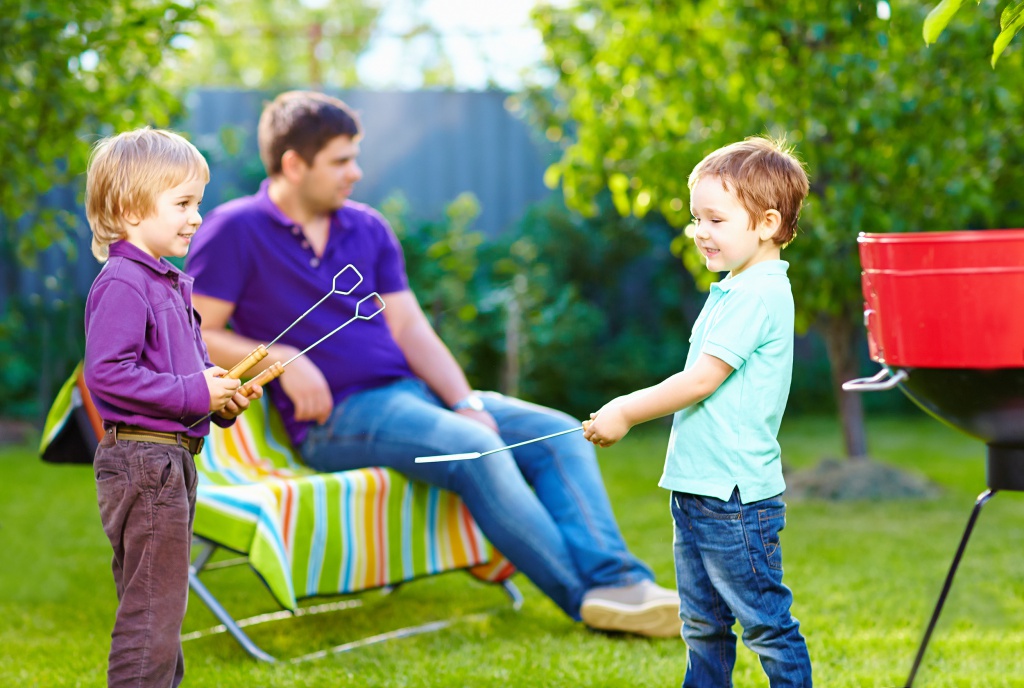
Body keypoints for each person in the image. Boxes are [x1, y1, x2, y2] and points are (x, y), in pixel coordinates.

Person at [185, 90, 680, 638]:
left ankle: (622, 582)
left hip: (411, 396)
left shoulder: (366, 227)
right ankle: (588, 598)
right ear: (294, 163)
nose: (356, 172)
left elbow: (410, 328)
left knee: (559, 433)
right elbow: (198, 330)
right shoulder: (235, 228)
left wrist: (465, 401)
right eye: (341, 160)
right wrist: (279, 358)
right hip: (338, 420)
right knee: (481, 451)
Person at [583, 137, 813, 687]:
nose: (700, 232)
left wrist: (624, 410)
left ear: (766, 223)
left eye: (715, 218)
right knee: (702, 624)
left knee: (765, 626)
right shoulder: (735, 288)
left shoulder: (758, 295)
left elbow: (702, 380)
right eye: (695, 218)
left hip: (733, 499)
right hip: (699, 489)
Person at [83, 127, 262, 688]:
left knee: (161, 606)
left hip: (168, 459)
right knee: (152, 612)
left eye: (198, 204)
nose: (196, 218)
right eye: (182, 203)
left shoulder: (166, 285)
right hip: (144, 462)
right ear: (129, 208)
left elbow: (183, 379)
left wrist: (222, 396)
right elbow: (107, 376)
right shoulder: (124, 283)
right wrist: (193, 392)